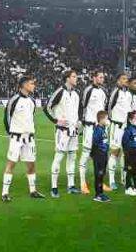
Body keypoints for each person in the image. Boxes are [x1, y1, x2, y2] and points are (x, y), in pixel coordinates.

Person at [2, 75, 45, 202]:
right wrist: (11, 134)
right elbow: (6, 118)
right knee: (11, 164)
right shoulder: (14, 100)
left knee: (31, 165)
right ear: (24, 85)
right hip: (16, 137)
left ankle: (33, 191)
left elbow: (31, 117)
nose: (33, 86)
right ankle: (4, 193)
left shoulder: (32, 101)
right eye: (31, 83)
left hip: (29, 138)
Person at [43, 69, 81, 197]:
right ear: (67, 78)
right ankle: (54, 187)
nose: (76, 79)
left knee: (72, 156)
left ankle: (71, 185)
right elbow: (47, 107)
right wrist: (55, 120)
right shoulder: (60, 92)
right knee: (59, 157)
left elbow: (79, 110)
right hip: (62, 131)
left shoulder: (76, 94)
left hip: (73, 131)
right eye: (74, 76)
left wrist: (79, 122)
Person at [78, 71, 107, 194]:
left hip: (100, 128)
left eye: (103, 77)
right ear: (94, 78)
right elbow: (81, 106)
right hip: (89, 127)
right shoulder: (88, 90)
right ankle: (82, 183)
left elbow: (104, 109)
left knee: (100, 155)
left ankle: (100, 182)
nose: (102, 79)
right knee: (85, 154)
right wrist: (81, 122)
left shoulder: (104, 91)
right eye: (100, 77)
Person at [106, 73, 134, 191]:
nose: (125, 81)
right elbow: (108, 107)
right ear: (118, 81)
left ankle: (124, 178)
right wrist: (111, 121)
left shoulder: (128, 94)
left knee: (126, 153)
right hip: (116, 126)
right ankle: (112, 180)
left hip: (126, 127)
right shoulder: (115, 92)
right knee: (114, 152)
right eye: (123, 79)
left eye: (127, 79)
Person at [121, 110, 136, 196]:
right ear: (130, 120)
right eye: (135, 118)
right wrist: (127, 154)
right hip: (130, 153)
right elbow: (124, 143)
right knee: (129, 170)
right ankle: (128, 188)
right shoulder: (128, 130)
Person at [90, 111, 111, 203]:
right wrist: (94, 155)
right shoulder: (98, 130)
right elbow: (95, 143)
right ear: (101, 119)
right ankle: (98, 195)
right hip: (99, 155)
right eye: (106, 118)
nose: (107, 120)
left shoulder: (103, 129)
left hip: (104, 154)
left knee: (102, 175)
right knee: (99, 175)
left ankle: (101, 193)